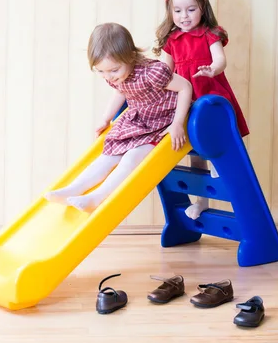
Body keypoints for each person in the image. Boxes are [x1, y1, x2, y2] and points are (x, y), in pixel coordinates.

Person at [45, 22, 192, 213]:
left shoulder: (152, 73)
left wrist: (178, 123)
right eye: (101, 71)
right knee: (107, 156)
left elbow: (185, 87)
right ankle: (74, 188)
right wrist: (106, 119)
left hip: (161, 123)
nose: (109, 77)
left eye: (113, 70)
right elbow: (120, 93)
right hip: (138, 121)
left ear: (130, 56)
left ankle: (96, 198)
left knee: (130, 159)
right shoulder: (117, 75)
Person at [154, 0, 249, 219]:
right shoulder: (171, 40)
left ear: (203, 8)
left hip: (208, 93)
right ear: (170, 11)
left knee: (213, 140)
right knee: (196, 156)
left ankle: (223, 170)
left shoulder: (209, 34)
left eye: (191, 9)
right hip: (185, 99)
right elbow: (165, 73)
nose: (184, 16)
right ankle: (202, 201)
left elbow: (220, 60)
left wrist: (212, 69)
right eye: (177, 10)